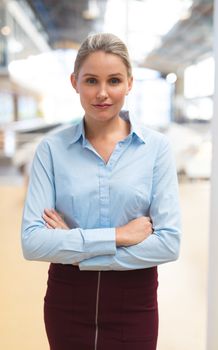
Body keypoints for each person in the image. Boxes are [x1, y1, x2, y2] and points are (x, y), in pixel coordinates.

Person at [21, 32, 181, 350]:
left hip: (134, 304)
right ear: (74, 82)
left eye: (115, 81)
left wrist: (76, 252)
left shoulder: (156, 149)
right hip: (67, 303)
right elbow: (33, 243)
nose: (103, 94)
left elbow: (168, 244)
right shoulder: (51, 150)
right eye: (91, 80)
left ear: (130, 83)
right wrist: (119, 235)